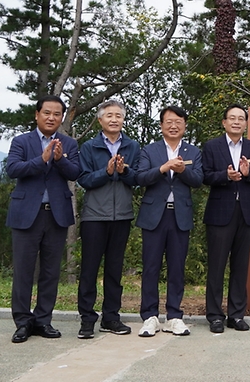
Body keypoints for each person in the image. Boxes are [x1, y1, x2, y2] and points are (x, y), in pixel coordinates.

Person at [6, 95, 81, 343]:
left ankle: (43, 320)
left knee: (50, 272)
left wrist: (59, 160)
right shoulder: (22, 141)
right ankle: (22, 322)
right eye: (47, 113)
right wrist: (43, 159)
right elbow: (13, 169)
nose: (51, 117)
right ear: (37, 115)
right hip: (27, 214)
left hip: (56, 214)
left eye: (57, 114)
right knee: (24, 272)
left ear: (62, 118)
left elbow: (76, 173)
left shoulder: (68, 143)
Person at [134, 105, 204, 338]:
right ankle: (149, 316)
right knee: (151, 267)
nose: (173, 126)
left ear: (185, 126)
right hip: (154, 216)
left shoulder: (193, 151)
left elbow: (199, 180)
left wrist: (183, 170)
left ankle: (174, 316)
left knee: (177, 267)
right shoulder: (150, 150)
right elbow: (141, 178)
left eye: (178, 122)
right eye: (169, 121)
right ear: (162, 125)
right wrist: (164, 167)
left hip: (180, 216)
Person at [76, 99, 139, 339]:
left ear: (123, 120)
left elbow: (137, 179)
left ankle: (111, 317)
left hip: (121, 215)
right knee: (90, 270)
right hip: (94, 216)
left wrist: (123, 171)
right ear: (100, 120)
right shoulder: (89, 147)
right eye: (109, 115)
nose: (114, 119)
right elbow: (84, 179)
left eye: (118, 116)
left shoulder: (132, 146)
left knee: (115, 270)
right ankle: (87, 319)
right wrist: (107, 172)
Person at [203, 104, 250, 333]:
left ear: (246, 124)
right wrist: (225, 176)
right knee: (217, 266)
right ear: (224, 122)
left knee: (240, 266)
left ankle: (236, 315)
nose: (237, 122)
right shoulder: (212, 146)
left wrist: (249, 173)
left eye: (241, 118)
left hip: (246, 213)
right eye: (232, 118)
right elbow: (205, 175)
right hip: (220, 213)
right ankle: (215, 316)